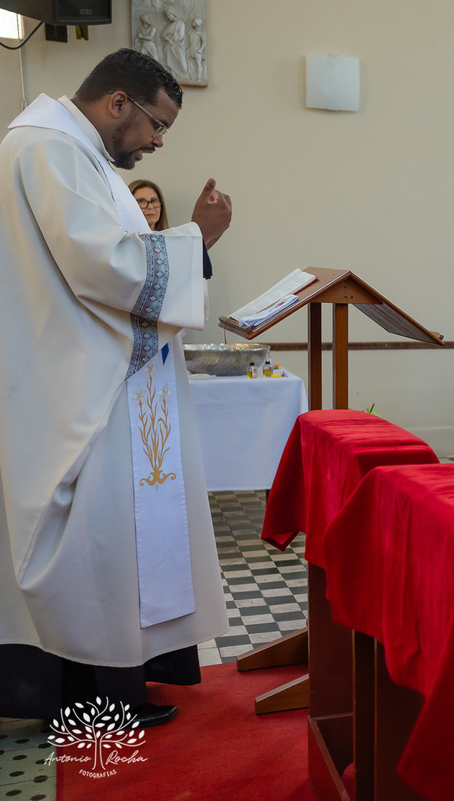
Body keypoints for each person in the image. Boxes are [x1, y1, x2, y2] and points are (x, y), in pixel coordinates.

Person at [0, 49, 232, 727]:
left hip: (90, 377)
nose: (158, 142)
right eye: (156, 124)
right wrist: (199, 239)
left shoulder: (78, 157)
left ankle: (108, 687)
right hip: (73, 388)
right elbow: (105, 267)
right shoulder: (48, 151)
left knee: (105, 541)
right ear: (117, 104)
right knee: (88, 542)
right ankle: (94, 697)